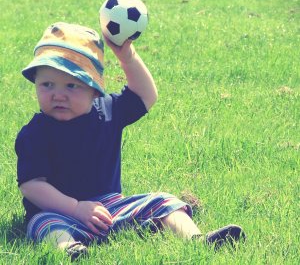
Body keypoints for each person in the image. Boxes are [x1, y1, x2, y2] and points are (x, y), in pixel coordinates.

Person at [15, 22, 245, 261]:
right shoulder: (35, 132)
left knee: (164, 200)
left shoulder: (108, 111)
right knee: (43, 224)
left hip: (110, 207)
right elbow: (32, 186)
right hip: (58, 211)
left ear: (95, 89)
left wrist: (127, 56)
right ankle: (70, 251)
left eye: (71, 85)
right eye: (47, 84)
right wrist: (75, 208)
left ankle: (196, 239)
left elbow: (146, 95)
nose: (57, 95)